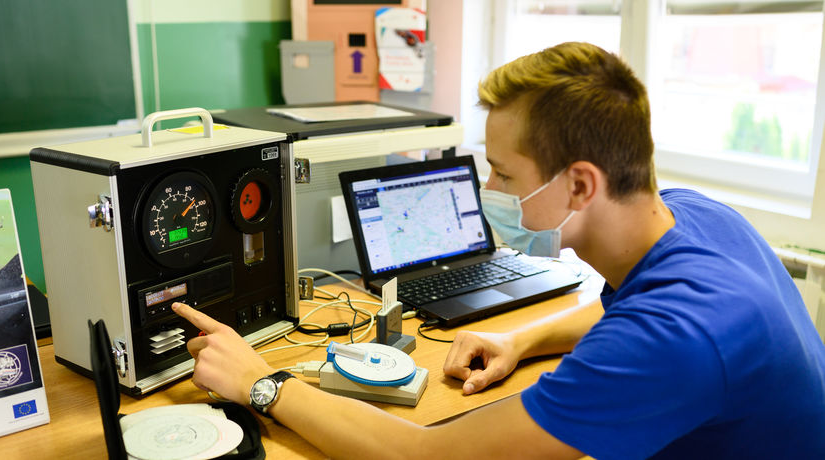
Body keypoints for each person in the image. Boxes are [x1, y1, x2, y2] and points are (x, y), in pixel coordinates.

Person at [172, 42, 825, 459]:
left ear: (580, 185)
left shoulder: (673, 340)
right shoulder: (695, 216)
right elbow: (625, 311)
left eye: (503, 174)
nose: (487, 191)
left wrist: (263, 383)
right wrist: (521, 340)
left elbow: (426, 457)